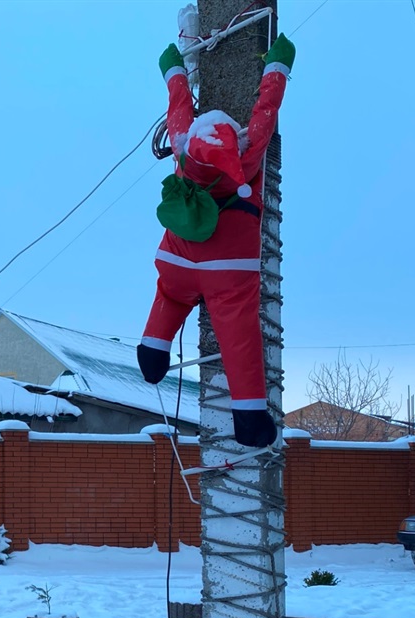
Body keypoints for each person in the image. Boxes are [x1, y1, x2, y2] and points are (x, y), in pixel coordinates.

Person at [137, 33, 296, 448]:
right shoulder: (248, 154)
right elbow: (266, 112)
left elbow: (178, 106)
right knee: (239, 338)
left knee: (169, 298)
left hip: (179, 261)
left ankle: (152, 351)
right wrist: (278, 65)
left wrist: (172, 68)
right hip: (229, 272)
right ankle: (249, 418)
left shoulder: (183, 148)